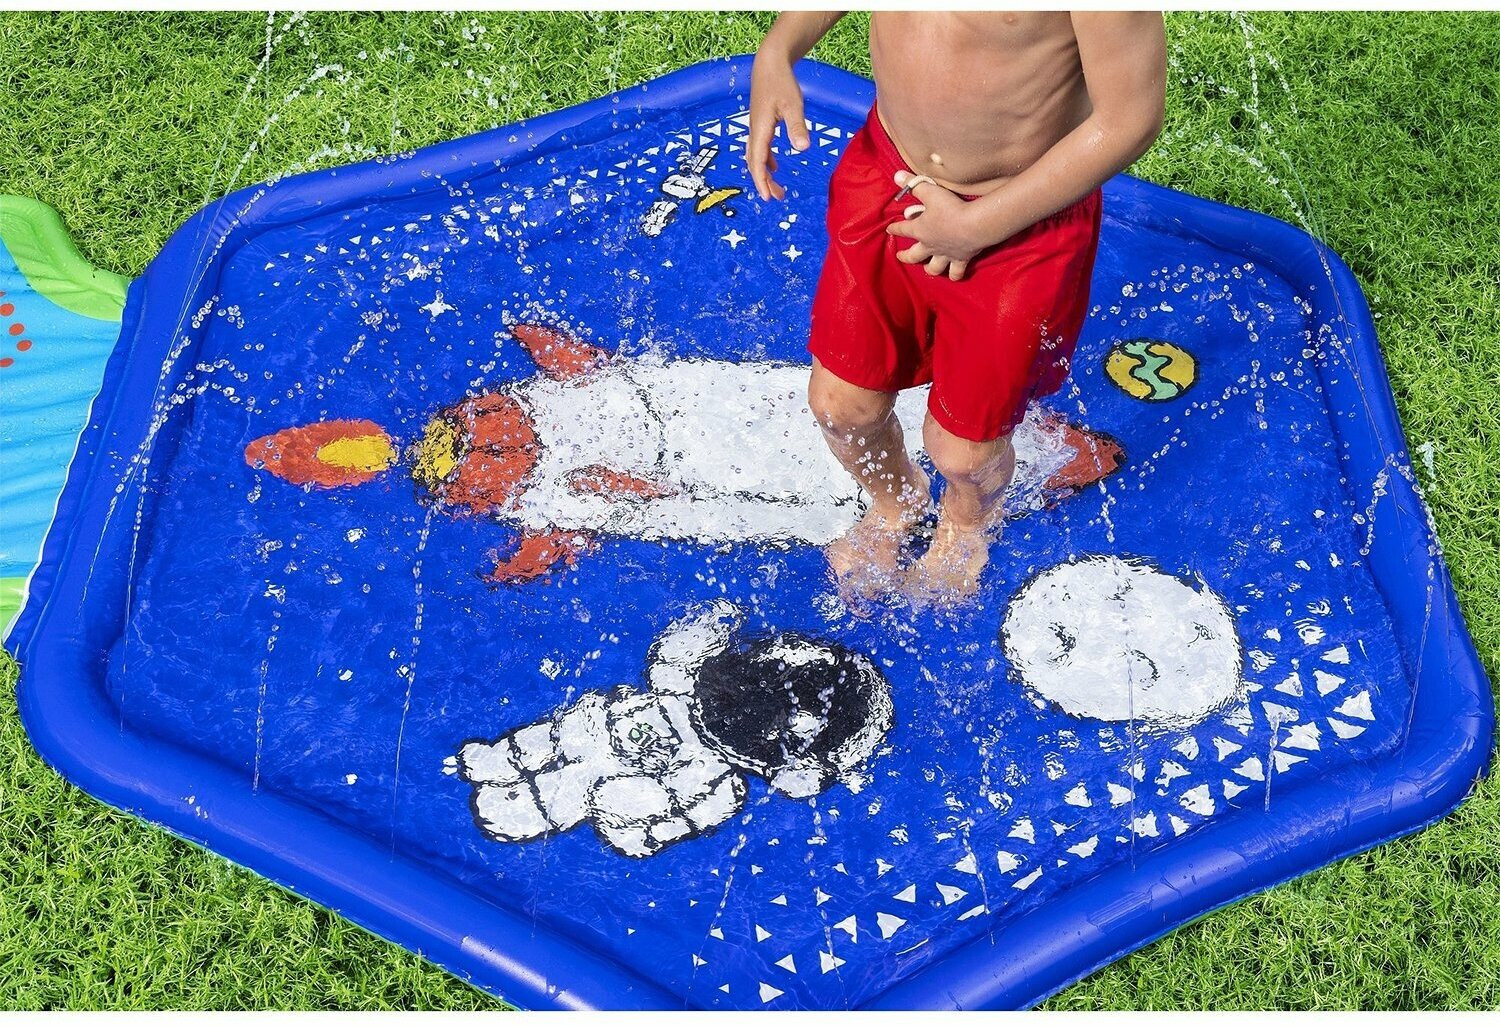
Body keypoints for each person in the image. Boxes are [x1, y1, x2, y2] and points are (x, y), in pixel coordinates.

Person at [747, 12, 1166, 604]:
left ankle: (968, 523)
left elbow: (1130, 118)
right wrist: (779, 48)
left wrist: (976, 226)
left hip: (1016, 228)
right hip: (887, 180)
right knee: (841, 408)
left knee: (964, 452)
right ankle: (897, 501)